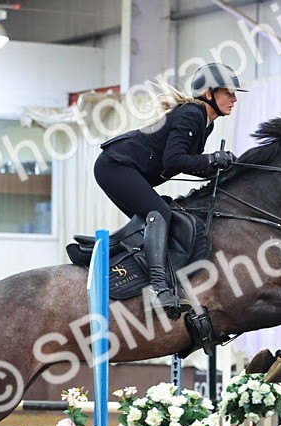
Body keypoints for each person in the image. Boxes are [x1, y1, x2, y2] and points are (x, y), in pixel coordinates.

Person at [95, 62, 245, 318]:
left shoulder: (206, 122)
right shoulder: (192, 115)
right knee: (158, 214)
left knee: (161, 216)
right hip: (115, 167)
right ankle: (158, 289)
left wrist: (221, 167)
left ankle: (141, 277)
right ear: (209, 93)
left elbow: (189, 163)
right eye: (228, 93)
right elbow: (174, 161)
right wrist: (211, 159)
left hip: (124, 169)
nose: (233, 99)